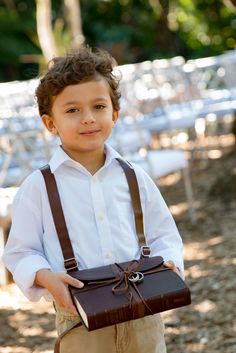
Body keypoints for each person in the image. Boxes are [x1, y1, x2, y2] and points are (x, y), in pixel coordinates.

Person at [2, 45, 184, 353]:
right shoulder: (38, 187)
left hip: (143, 311)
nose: (88, 118)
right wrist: (46, 277)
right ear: (50, 123)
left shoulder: (134, 176)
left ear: (114, 114)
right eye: (72, 110)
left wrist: (169, 264)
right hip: (79, 317)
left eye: (98, 107)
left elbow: (164, 233)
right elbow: (20, 252)